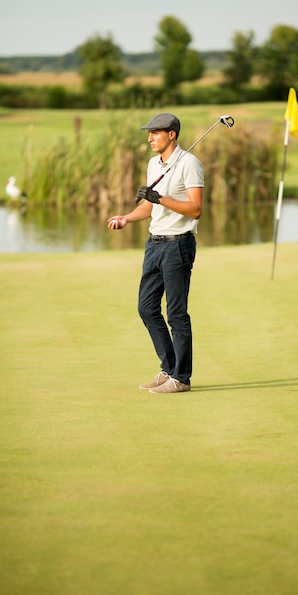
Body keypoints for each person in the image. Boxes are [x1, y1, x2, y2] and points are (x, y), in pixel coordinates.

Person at [108, 113, 204, 394]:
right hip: (155, 244)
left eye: (155, 133)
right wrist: (127, 217)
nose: (149, 138)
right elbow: (151, 207)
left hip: (178, 245)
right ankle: (169, 368)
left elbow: (196, 209)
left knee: (176, 313)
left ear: (171, 134)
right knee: (147, 307)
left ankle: (182, 378)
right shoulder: (154, 164)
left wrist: (159, 198)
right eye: (149, 133)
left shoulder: (189, 164)